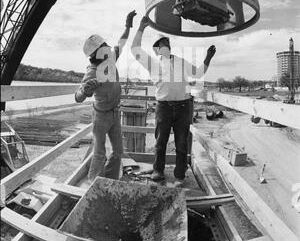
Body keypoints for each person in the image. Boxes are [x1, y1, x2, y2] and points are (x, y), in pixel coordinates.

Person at [131, 16, 216, 187]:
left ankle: (179, 176)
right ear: (156, 50)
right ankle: (158, 171)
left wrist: (207, 59)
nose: (163, 46)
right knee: (160, 142)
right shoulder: (153, 64)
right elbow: (135, 49)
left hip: (184, 106)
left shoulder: (181, 62)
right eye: (160, 44)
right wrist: (141, 28)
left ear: (169, 46)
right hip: (164, 107)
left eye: (165, 43)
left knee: (181, 144)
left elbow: (198, 74)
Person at [75, 10, 136, 182]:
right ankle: (94, 185)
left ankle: (109, 181)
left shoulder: (110, 60)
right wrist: (85, 91)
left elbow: (121, 42)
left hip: (115, 114)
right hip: (101, 117)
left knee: (118, 152)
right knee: (99, 153)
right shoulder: (92, 73)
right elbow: (78, 96)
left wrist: (128, 25)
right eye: (105, 47)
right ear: (97, 54)